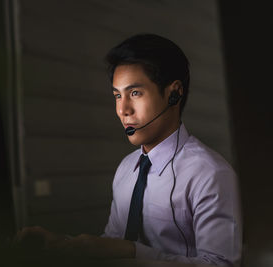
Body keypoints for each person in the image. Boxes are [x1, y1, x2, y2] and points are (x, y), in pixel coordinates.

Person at [15, 33, 242, 266]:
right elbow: (112, 243)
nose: (123, 109)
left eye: (135, 93)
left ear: (174, 93)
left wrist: (133, 252)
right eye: (117, 95)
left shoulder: (210, 174)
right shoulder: (126, 168)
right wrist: (63, 243)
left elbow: (221, 264)